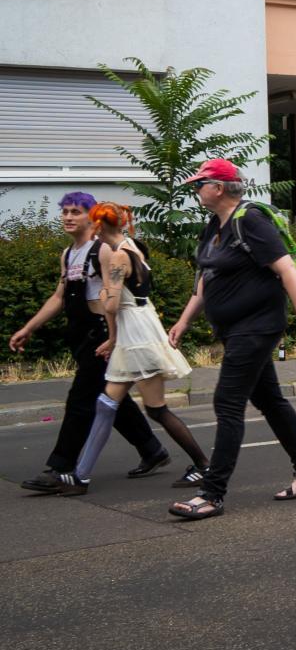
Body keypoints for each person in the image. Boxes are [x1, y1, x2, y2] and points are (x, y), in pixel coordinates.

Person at [166, 161, 296, 520]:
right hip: (235, 329)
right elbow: (206, 279)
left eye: (200, 184)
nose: (196, 190)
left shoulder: (250, 220)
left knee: (227, 403)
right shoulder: (214, 226)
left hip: (256, 327)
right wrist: (183, 321)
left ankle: (212, 493)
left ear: (219, 187)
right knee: (270, 401)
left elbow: (286, 269)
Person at [11, 193, 170, 493]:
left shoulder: (104, 251)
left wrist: (113, 338)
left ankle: (59, 467)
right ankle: (152, 450)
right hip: (81, 333)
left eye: (76, 212)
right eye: (65, 212)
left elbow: (113, 299)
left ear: (91, 217)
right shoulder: (69, 253)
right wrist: (28, 327)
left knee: (81, 400)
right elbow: (59, 297)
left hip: (101, 335)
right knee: (108, 398)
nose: (68, 217)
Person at [57, 202, 206, 495]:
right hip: (135, 330)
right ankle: (80, 476)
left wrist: (100, 293)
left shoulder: (117, 257)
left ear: (98, 227)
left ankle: (204, 464)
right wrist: (113, 338)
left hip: (136, 335)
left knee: (155, 409)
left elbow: (111, 305)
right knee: (107, 404)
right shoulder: (132, 246)